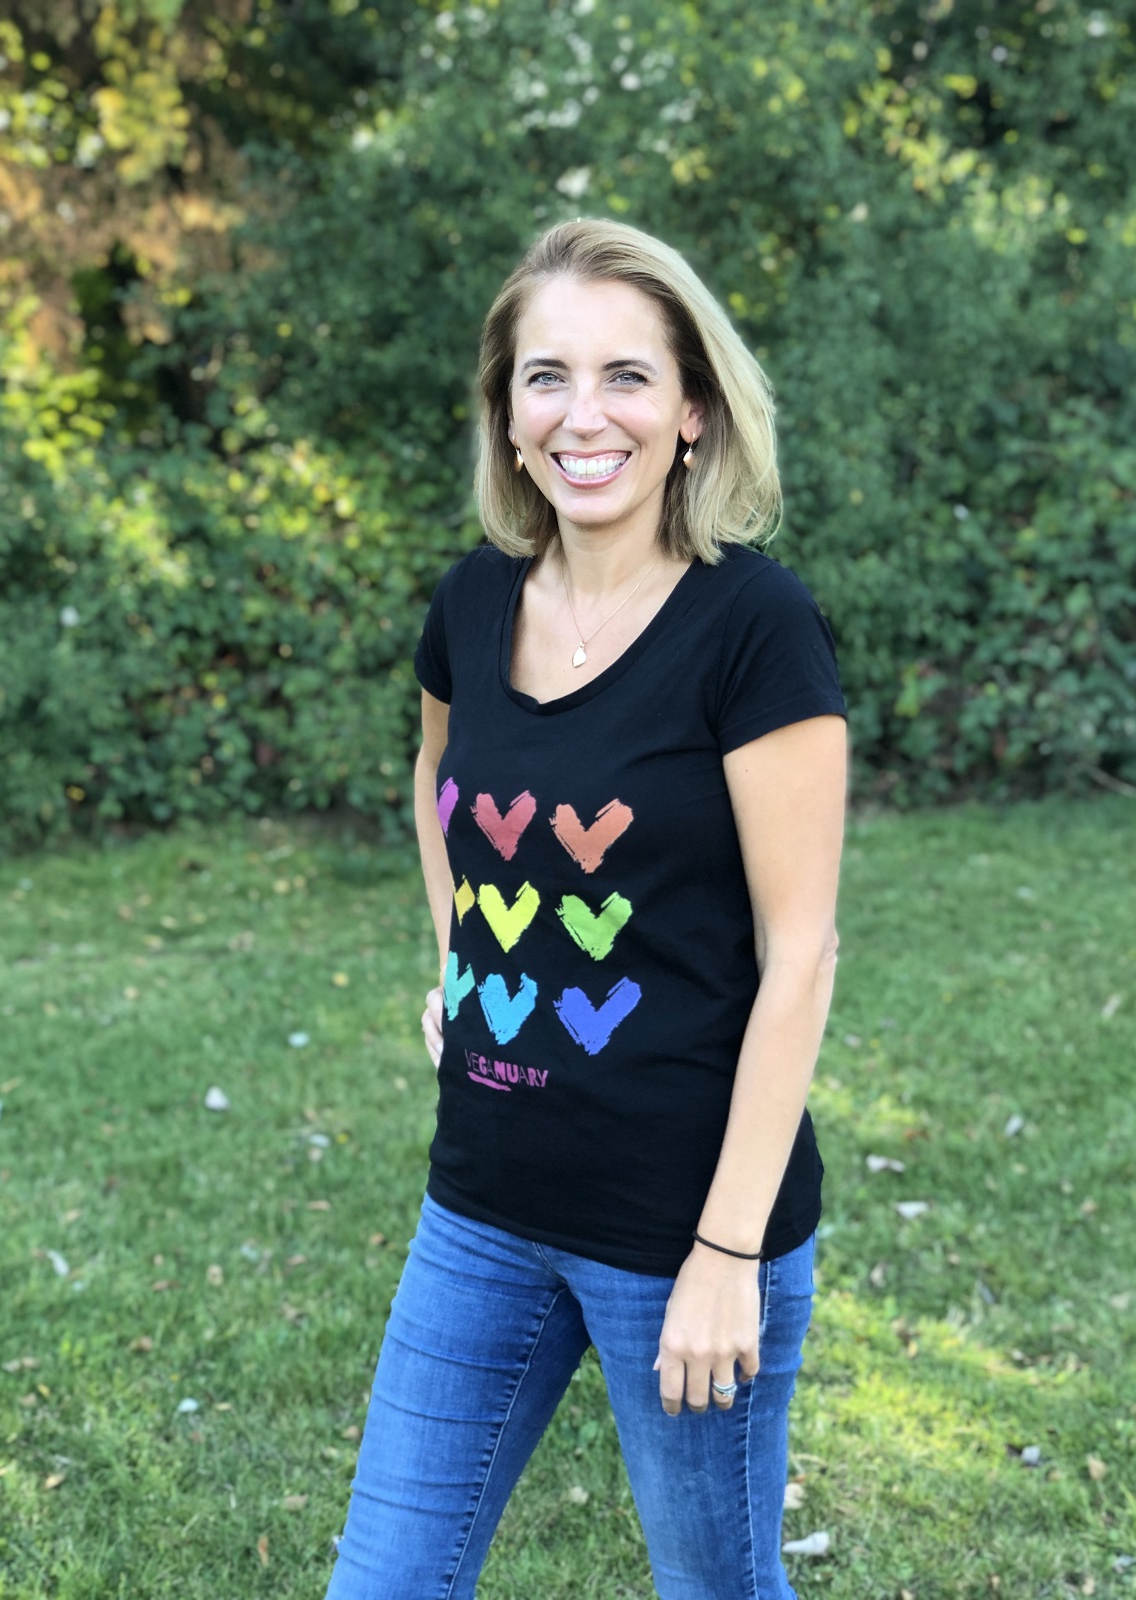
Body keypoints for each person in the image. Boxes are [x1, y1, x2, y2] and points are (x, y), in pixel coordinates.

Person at [324, 217, 848, 1600]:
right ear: (507, 417)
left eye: (627, 375)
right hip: (483, 1197)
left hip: (683, 1223)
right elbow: (438, 780)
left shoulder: (756, 630)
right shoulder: (473, 606)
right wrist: (461, 963)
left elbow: (801, 955)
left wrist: (729, 1253)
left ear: (691, 411)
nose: (583, 414)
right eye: (545, 376)